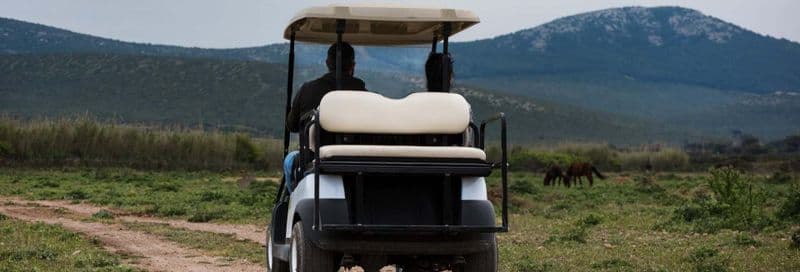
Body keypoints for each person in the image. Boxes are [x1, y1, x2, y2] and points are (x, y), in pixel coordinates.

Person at [286, 42, 367, 132]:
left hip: (314, 145)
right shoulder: (365, 95)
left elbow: (292, 125)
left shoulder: (306, 90)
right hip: (351, 145)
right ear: (353, 65)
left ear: (327, 63)